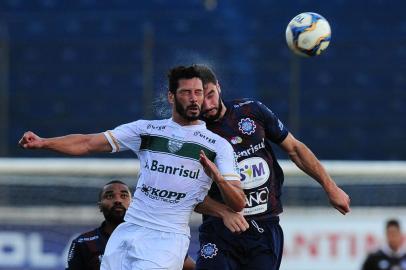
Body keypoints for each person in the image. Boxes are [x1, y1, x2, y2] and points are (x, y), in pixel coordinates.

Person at [19, 65, 246, 270]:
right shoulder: (146, 130)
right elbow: (88, 143)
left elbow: (238, 203)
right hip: (129, 229)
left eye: (198, 93)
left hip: (167, 237)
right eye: (186, 92)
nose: (194, 99)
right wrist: (45, 142)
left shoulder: (217, 145)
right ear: (171, 96)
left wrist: (218, 178)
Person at [193, 65, 351, 270]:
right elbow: (184, 191)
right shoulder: (194, 133)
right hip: (219, 227)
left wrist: (330, 187)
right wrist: (223, 211)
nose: (207, 104)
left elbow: (294, 149)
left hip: (264, 226)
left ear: (219, 87)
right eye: (201, 99)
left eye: (211, 95)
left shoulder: (251, 111)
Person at [66, 180, 196, 270]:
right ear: (100, 205)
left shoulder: (153, 235)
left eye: (123, 196)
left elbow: (188, 266)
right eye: (110, 196)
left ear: (133, 203)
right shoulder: (84, 242)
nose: (117, 200)